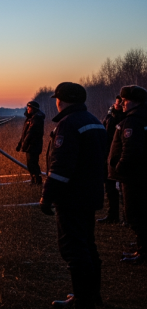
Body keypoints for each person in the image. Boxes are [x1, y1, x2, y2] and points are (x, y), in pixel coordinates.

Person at [40, 82, 106, 308]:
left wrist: (47, 196)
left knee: (74, 248)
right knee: (88, 245)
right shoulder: (94, 122)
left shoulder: (68, 125)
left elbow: (61, 167)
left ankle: (83, 300)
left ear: (62, 100)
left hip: (72, 197)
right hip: (90, 194)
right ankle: (92, 297)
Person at [108, 85, 147, 265]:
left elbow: (131, 151)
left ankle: (143, 252)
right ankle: (141, 246)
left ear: (136, 102)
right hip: (138, 175)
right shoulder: (138, 117)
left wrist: (119, 167)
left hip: (133, 177)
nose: (122, 103)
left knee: (136, 214)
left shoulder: (133, 121)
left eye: (126, 101)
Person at [99, 95, 125, 224]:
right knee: (109, 187)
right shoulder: (109, 116)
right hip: (108, 155)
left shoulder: (126, 118)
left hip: (120, 156)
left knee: (124, 189)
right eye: (116, 101)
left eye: (120, 102)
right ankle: (112, 214)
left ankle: (127, 218)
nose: (117, 104)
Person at [16, 101, 45, 184]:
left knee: (33, 163)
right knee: (30, 164)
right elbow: (24, 133)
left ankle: (38, 181)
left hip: (34, 145)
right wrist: (20, 144)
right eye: (27, 107)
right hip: (29, 145)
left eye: (29, 107)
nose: (27, 109)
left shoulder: (37, 118)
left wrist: (24, 144)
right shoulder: (30, 118)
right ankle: (33, 179)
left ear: (34, 109)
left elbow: (30, 133)